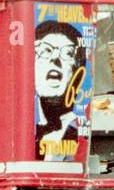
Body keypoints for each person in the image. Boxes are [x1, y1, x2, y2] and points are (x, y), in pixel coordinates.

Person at [34, 19, 86, 161]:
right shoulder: (28, 134)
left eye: (68, 53)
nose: (55, 58)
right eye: (45, 50)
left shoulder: (76, 133)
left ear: (76, 73)